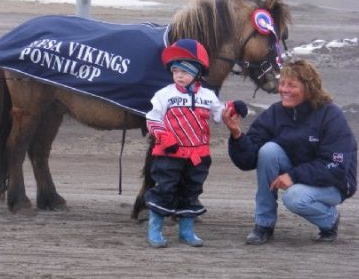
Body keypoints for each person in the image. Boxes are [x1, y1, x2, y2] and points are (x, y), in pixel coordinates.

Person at [222, 59, 357, 244]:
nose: (284, 90)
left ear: (309, 89)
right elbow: (248, 160)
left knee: (294, 198)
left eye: (292, 85)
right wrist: (237, 135)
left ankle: (330, 220)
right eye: (282, 84)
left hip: (334, 183)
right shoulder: (275, 113)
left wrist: (293, 176)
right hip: (301, 174)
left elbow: (336, 167)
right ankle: (264, 224)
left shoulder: (330, 115)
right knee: (268, 151)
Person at [145, 38, 247, 248]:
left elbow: (219, 114)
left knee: (191, 191)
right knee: (165, 190)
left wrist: (234, 107)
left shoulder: (207, 96)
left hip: (198, 156)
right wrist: (166, 139)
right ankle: (154, 231)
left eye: (184, 71)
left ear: (198, 72)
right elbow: (152, 119)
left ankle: (186, 231)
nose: (179, 75)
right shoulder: (164, 95)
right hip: (169, 155)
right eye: (175, 70)